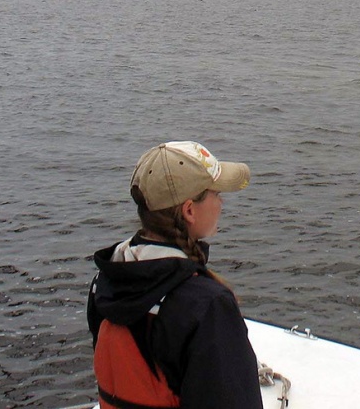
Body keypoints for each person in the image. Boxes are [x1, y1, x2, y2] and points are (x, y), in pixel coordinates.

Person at [88, 141, 263, 409]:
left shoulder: (106, 281)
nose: (222, 202)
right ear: (189, 210)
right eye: (216, 193)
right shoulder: (208, 305)